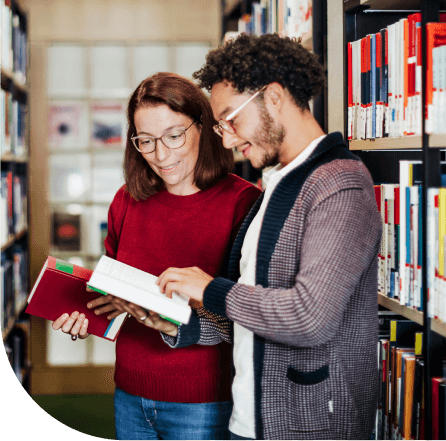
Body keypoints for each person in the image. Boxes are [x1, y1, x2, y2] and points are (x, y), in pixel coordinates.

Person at [156, 34, 383, 440]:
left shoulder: (340, 184)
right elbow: (254, 312)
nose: (226, 139)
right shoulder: (275, 185)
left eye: (231, 120)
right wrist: (178, 324)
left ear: (273, 97)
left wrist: (210, 290)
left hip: (310, 429)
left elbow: (308, 318)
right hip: (250, 420)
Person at [52, 72, 261, 440]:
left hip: (205, 400)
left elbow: (247, 317)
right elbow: (116, 298)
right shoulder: (125, 201)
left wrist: (173, 320)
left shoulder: (242, 204)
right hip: (130, 393)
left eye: (174, 136)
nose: (161, 155)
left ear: (203, 127)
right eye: (145, 141)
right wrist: (85, 316)